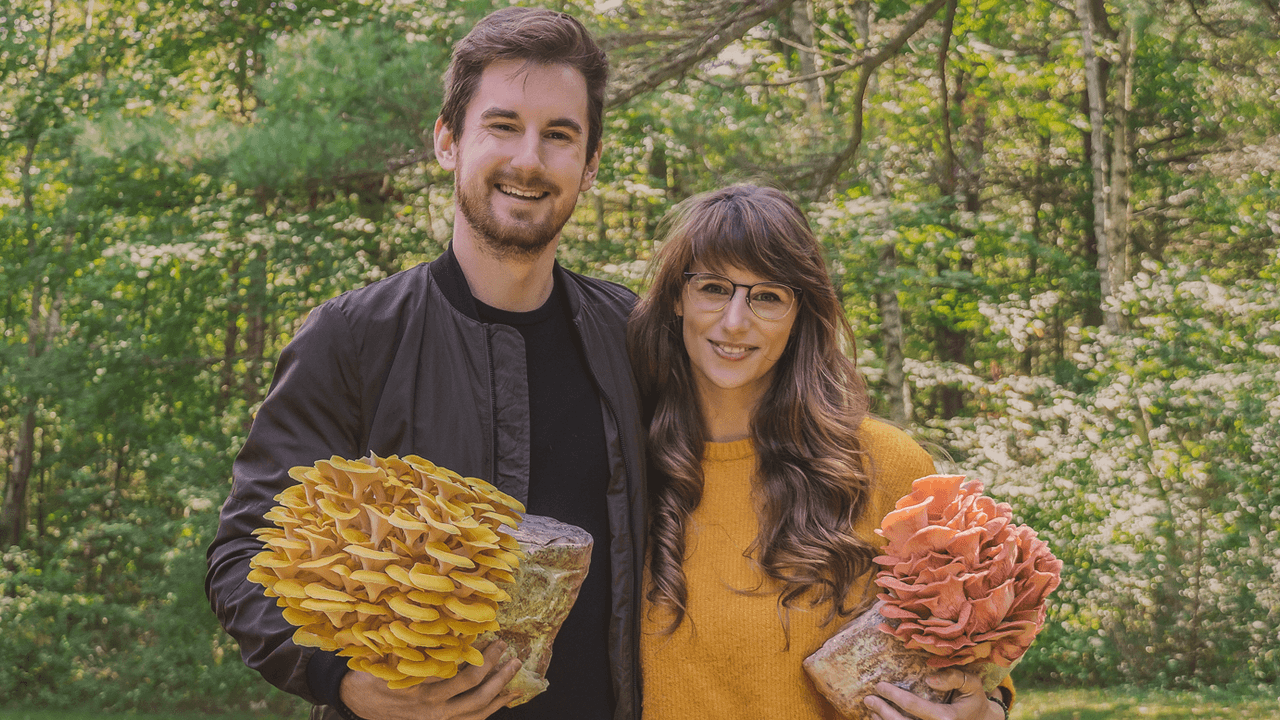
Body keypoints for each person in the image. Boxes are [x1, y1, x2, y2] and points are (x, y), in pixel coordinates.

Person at [205, 8, 646, 720]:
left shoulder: (634, 337)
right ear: (448, 141)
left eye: (559, 135)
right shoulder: (350, 338)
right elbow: (241, 557)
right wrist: (340, 681)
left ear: (590, 164)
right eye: (502, 125)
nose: (529, 160)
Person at [627, 184, 1014, 720]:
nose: (735, 321)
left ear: (800, 311)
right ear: (677, 296)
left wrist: (988, 710)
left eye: (767, 296)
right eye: (714, 287)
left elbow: (979, 668)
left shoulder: (886, 466)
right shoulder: (623, 456)